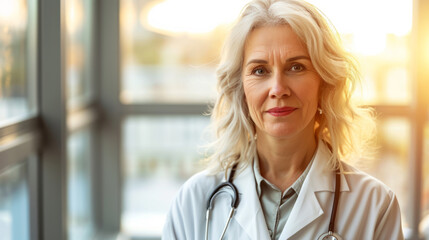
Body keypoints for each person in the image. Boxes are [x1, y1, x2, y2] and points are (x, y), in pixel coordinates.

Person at [162, 0, 404, 239]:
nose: (278, 88)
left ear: (325, 83)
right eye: (260, 70)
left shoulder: (375, 207)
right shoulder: (193, 203)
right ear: (241, 88)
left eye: (296, 67)